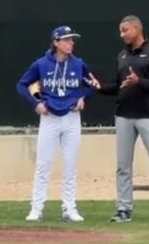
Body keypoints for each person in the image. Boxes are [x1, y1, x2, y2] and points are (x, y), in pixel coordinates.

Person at [86, 15, 149, 224]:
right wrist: (99, 87)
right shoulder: (122, 56)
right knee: (123, 166)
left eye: (125, 30)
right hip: (124, 116)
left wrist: (139, 82)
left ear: (137, 29)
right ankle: (123, 209)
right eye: (121, 31)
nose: (122, 35)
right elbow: (118, 86)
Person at [15, 26, 95, 223]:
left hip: (71, 117)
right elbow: (22, 85)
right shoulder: (41, 65)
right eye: (67, 40)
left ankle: (69, 208)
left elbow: (93, 84)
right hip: (49, 117)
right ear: (56, 42)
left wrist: (83, 97)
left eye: (72, 40)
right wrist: (36, 104)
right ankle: (37, 208)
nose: (71, 43)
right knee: (44, 164)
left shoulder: (78, 64)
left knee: (70, 164)